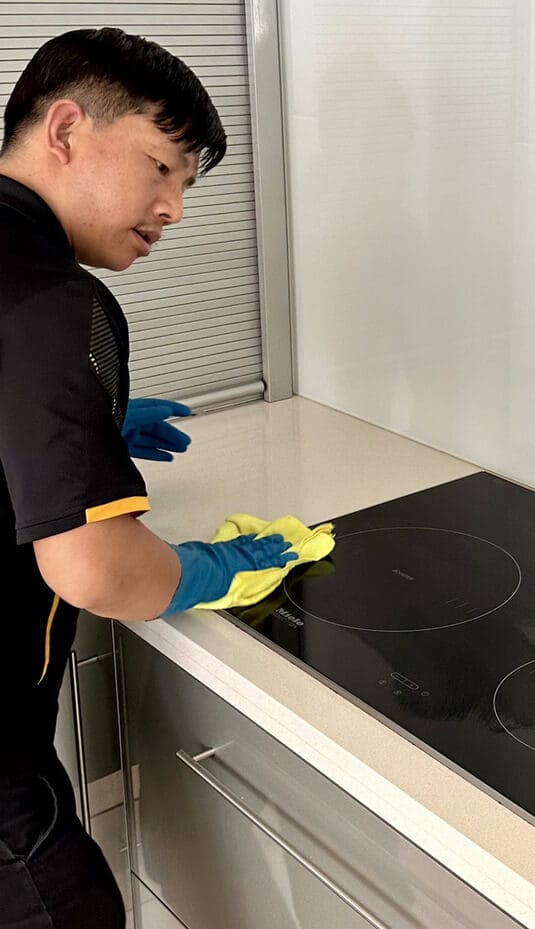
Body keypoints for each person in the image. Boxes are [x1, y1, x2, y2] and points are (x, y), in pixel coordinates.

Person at [0, 28, 294, 928]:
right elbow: (96, 570)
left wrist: (77, 430)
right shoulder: (60, 300)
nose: (173, 209)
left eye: (187, 188)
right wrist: (211, 569)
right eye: (160, 168)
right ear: (65, 129)